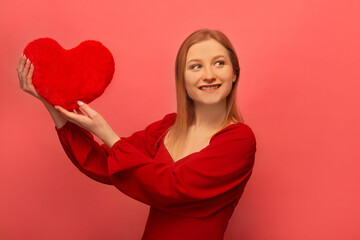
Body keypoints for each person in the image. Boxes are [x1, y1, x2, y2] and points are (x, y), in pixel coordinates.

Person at [17, 28, 257, 240]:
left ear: (234, 73)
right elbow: (103, 164)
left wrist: (107, 133)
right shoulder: (166, 128)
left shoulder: (238, 140)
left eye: (219, 63)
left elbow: (173, 187)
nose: (208, 75)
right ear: (182, 79)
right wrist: (50, 100)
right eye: (196, 66)